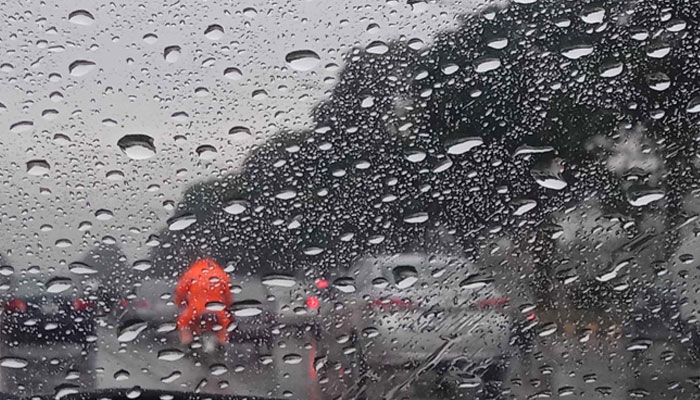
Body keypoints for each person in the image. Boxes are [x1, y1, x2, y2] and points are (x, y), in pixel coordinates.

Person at [174, 258, 233, 345]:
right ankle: (222, 344)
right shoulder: (221, 273)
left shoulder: (191, 273)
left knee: (183, 323)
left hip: (195, 310)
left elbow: (180, 292)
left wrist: (179, 303)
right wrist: (227, 307)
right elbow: (228, 295)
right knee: (225, 324)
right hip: (217, 310)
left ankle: (186, 343)